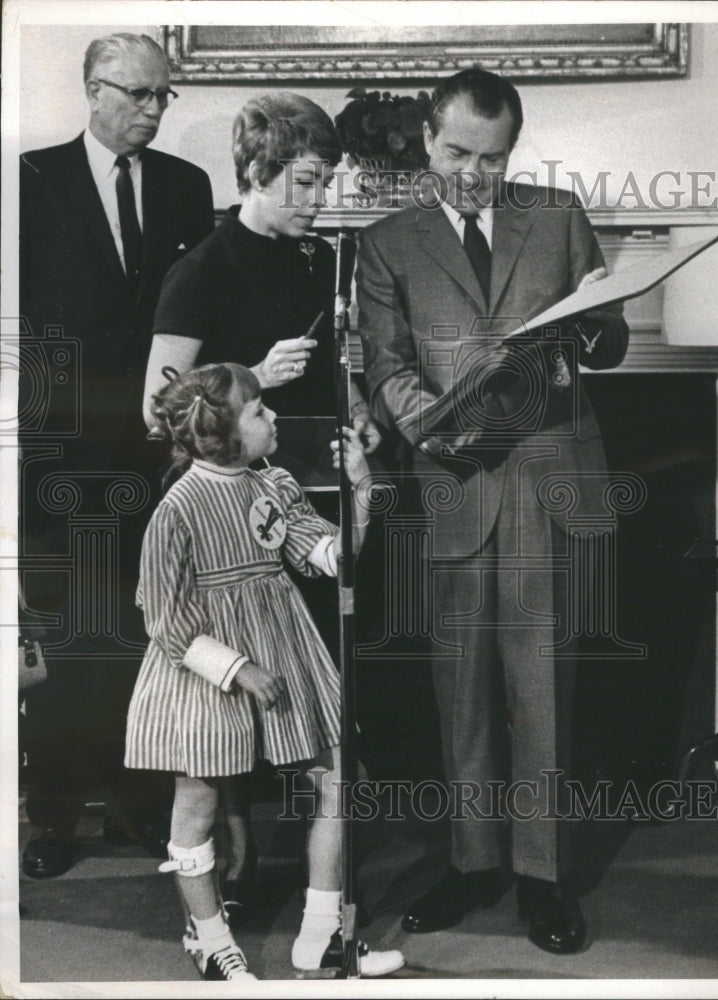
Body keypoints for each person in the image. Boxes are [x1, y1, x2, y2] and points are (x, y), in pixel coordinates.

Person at [356, 68, 630, 954]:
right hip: (456, 482)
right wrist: (439, 433)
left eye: (493, 156)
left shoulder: (555, 216)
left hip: (549, 480)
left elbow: (610, 340)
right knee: (462, 693)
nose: (474, 173)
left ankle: (542, 879)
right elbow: (386, 366)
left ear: (514, 148)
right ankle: (474, 865)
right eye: (456, 153)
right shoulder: (386, 241)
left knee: (542, 691)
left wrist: (594, 326)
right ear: (426, 142)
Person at [140, 92, 380, 921]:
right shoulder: (200, 268)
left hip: (305, 505)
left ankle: (318, 904)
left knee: (315, 711)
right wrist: (253, 375)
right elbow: (156, 405)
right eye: (306, 184)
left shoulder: (320, 260)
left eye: (325, 183)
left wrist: (358, 417)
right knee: (233, 712)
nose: (319, 201)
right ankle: (229, 878)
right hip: (226, 527)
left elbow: (338, 376)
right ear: (256, 172)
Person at [124, 362, 404, 981]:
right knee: (196, 798)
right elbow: (164, 621)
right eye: (258, 411)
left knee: (337, 776)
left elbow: (331, 558)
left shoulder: (272, 483)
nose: (273, 417)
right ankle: (209, 935)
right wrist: (237, 668)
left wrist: (361, 491)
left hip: (285, 642)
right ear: (220, 434)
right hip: (207, 666)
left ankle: (322, 934)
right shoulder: (178, 509)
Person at [18, 32, 215, 878]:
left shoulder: (186, 187)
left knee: (149, 628)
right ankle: (54, 814)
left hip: (156, 454)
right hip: (59, 451)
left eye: (162, 96)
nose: (151, 110)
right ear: (91, 91)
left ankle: (140, 801)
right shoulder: (27, 181)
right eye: (137, 94)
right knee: (70, 633)